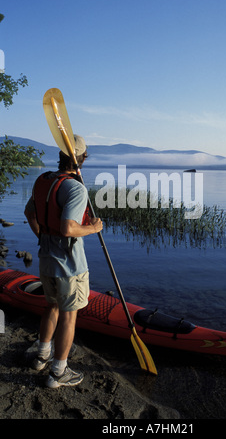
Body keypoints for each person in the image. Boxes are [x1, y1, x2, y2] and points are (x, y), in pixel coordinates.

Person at [24, 135, 103, 388]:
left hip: (46, 259)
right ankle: (58, 372)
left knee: (51, 307)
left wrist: (43, 236)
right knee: (69, 316)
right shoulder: (75, 188)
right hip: (70, 265)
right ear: (82, 158)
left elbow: (29, 212)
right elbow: (69, 228)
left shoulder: (42, 180)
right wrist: (93, 228)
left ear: (61, 156)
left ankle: (41, 356)